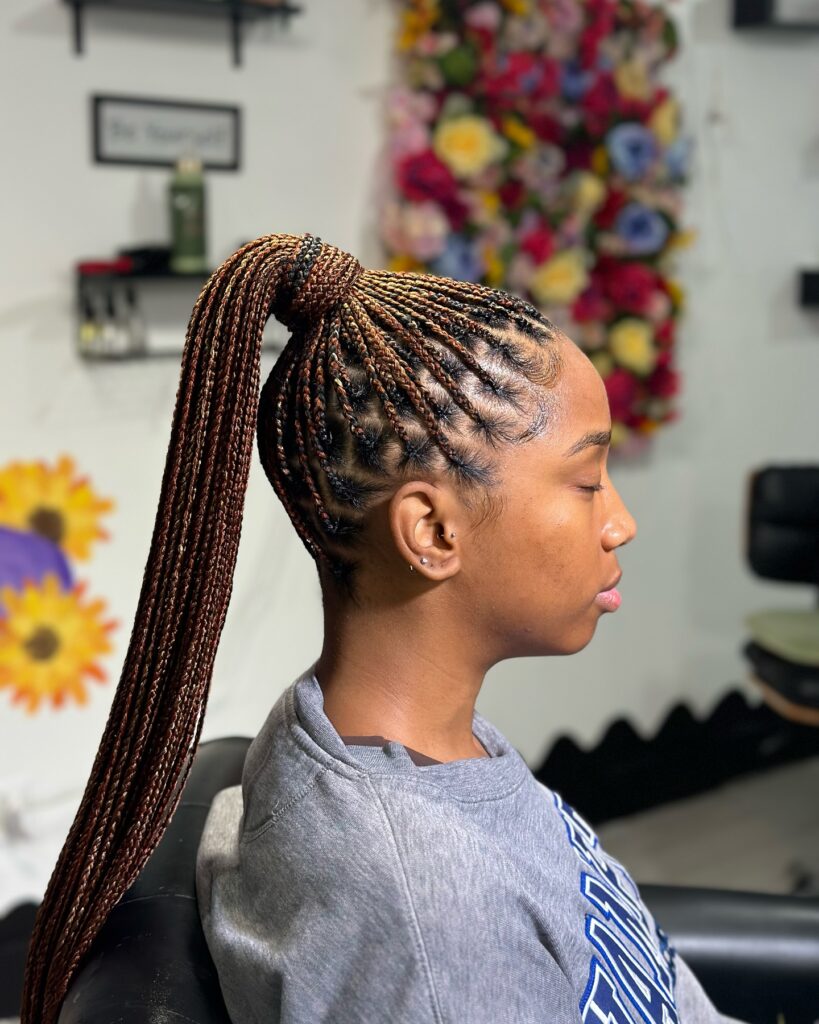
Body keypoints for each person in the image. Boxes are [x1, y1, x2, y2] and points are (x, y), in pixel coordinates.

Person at [21, 233, 747, 1023]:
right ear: (432, 533)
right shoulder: (430, 922)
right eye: (584, 482)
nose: (620, 524)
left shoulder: (397, 749)